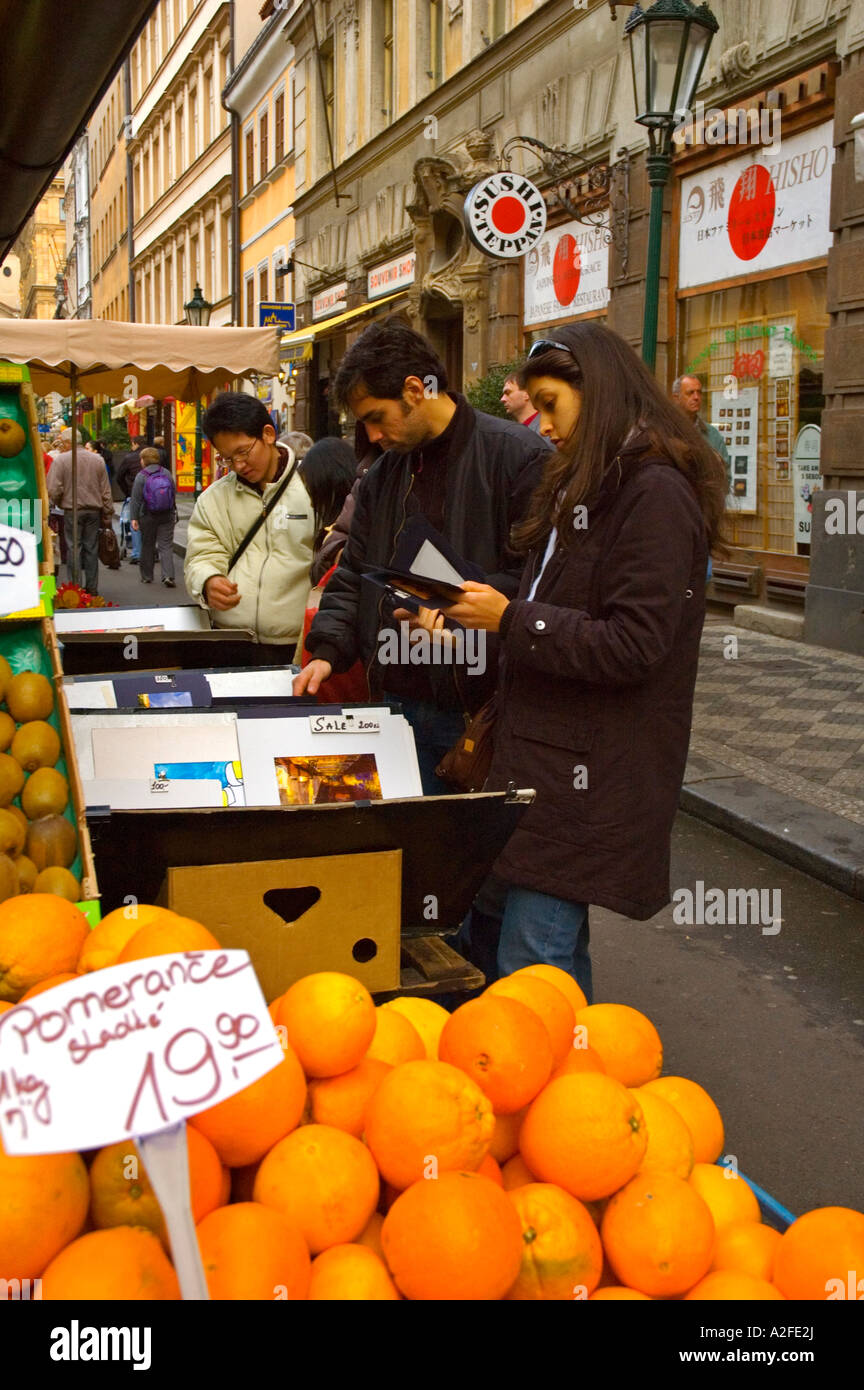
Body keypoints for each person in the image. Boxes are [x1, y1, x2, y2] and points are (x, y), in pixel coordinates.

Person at [439, 323, 727, 999]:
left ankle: (572, 1094)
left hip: (586, 773)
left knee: (531, 964)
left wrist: (509, 618)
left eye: (550, 403)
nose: (540, 424)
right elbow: (559, 598)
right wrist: (477, 607)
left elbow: (633, 643)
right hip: (543, 760)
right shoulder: (593, 480)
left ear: (597, 393)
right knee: (541, 958)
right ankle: (582, 1080)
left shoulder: (653, 493)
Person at [292, 319, 549, 792]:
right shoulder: (383, 474)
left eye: (375, 416)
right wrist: (327, 651)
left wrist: (454, 607)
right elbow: (354, 570)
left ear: (414, 390)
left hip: (479, 706)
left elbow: (540, 581)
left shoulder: (518, 457)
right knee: (403, 856)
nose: (370, 435)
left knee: (473, 854)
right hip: (395, 701)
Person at [185, 392, 316, 659]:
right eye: (227, 458)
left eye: (243, 452)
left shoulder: (313, 488)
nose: (238, 465)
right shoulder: (214, 498)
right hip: (232, 641)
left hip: (299, 644)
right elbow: (201, 555)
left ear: (268, 434)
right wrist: (208, 580)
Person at [46, 428, 114, 595]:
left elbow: (54, 488)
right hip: (93, 510)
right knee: (91, 548)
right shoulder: (97, 460)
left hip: (72, 509)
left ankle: (74, 588)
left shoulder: (61, 461)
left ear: (68, 442)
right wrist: (107, 511)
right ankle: (92, 587)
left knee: (73, 548)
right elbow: (105, 489)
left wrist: (58, 502)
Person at [671, 375, 731, 489]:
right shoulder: (665, 431)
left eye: (699, 392)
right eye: (690, 393)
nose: (696, 397)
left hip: (705, 502)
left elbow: (726, 478)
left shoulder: (712, 434)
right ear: (676, 398)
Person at [130, 446, 177, 587]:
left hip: (148, 515)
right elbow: (173, 493)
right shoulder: (166, 473)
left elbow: (136, 499)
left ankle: (147, 576)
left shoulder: (141, 476)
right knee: (166, 545)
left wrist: (134, 518)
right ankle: (168, 575)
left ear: (143, 460)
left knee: (147, 545)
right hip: (167, 514)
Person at [116, 438, 144, 564]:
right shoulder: (155, 455)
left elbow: (119, 476)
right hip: (154, 495)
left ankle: (137, 553)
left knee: (134, 522)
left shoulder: (129, 458)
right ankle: (149, 551)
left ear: (135, 444)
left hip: (134, 494)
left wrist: (126, 491)